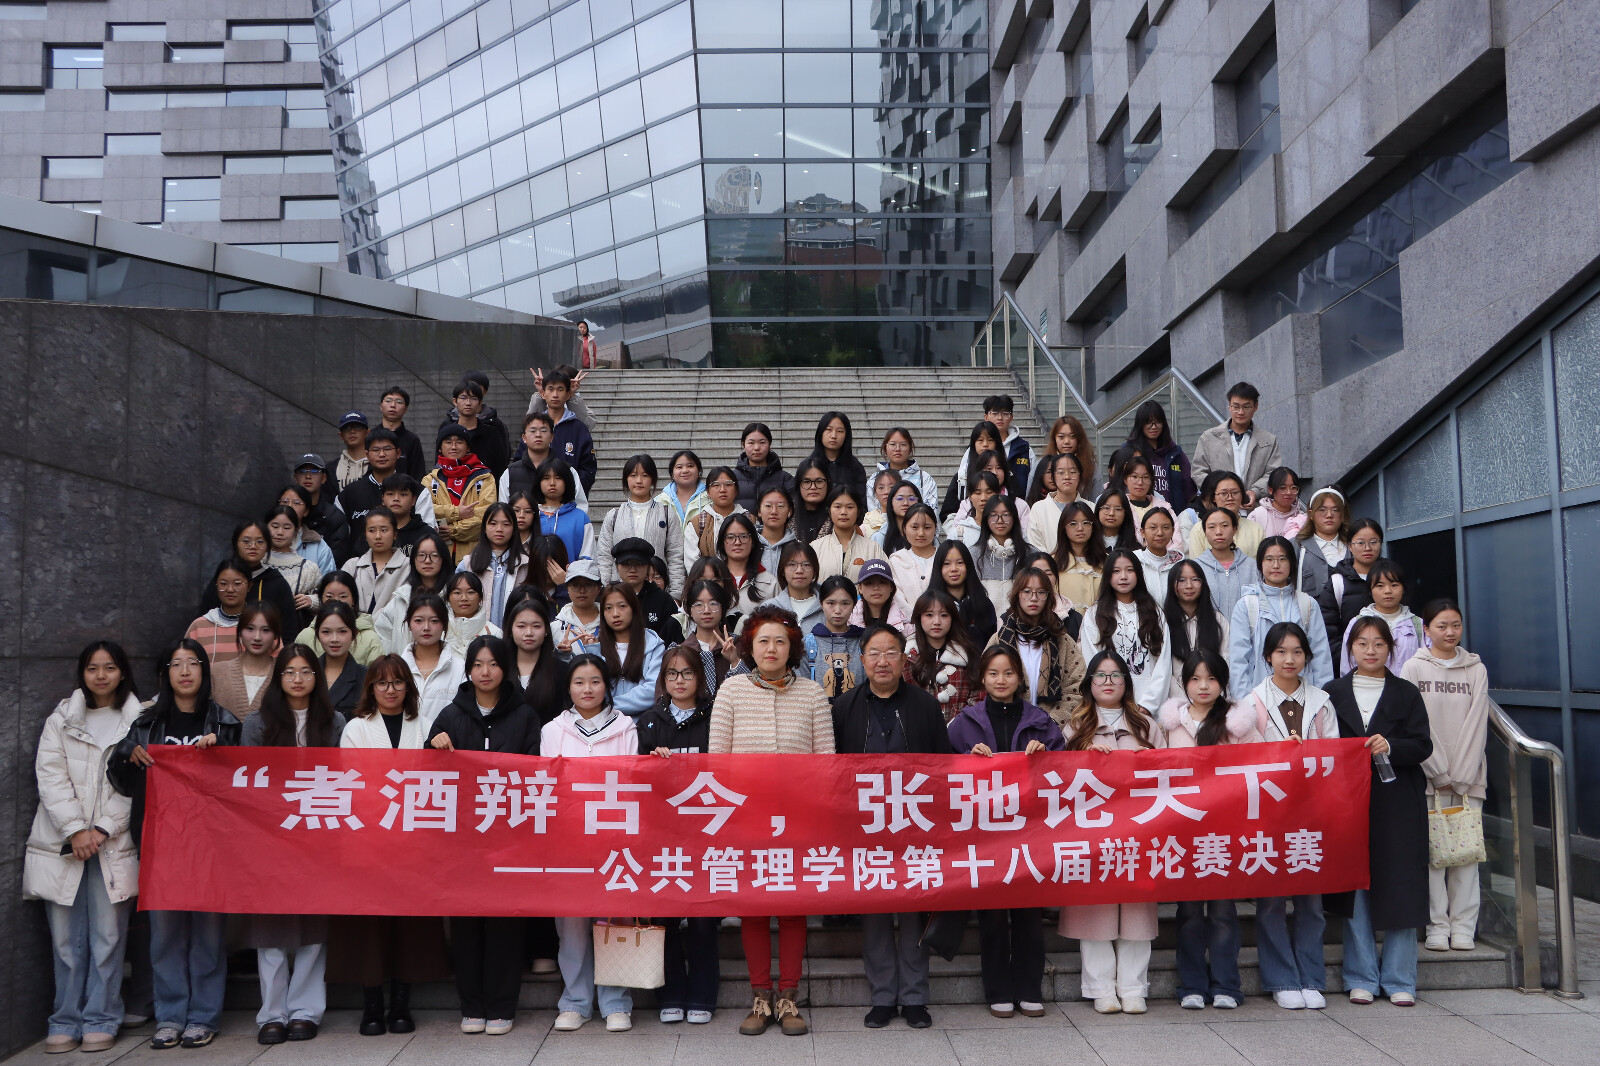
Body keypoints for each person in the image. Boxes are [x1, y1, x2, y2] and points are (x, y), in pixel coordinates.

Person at [106, 640, 241, 1050]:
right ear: (165, 673)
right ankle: (169, 1017)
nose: (184, 671)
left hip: (212, 847)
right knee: (164, 936)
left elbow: (246, 783)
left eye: (192, 663)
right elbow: (120, 780)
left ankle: (203, 1017)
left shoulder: (225, 723)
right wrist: (126, 753)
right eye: (175, 664)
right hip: (161, 844)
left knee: (208, 937)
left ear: (204, 670)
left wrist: (222, 753)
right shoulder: (146, 725)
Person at [709, 605, 834, 1037]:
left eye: (780, 641)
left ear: (792, 647)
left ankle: (789, 997)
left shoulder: (813, 694)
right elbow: (717, 762)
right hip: (747, 818)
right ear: (749, 646)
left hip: (799, 818)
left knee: (794, 908)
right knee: (755, 908)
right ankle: (760, 997)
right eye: (763, 640)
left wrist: (817, 813)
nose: (771, 648)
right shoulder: (731, 691)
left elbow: (826, 763)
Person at [25, 642, 144, 1055]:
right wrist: (76, 829)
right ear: (82, 674)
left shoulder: (139, 721)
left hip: (113, 844)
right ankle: (64, 1019)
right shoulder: (61, 719)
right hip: (63, 843)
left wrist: (102, 828)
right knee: (64, 941)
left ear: (122, 672)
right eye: (93, 668)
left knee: (108, 938)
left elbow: (138, 784)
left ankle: (101, 1017)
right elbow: (50, 776)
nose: (101, 675)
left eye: (109, 667)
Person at [831, 625, 950, 1029]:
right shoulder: (844, 706)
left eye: (891, 653)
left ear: (904, 659)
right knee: (876, 913)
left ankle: (914, 998)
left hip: (915, 824)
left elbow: (943, 766)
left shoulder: (925, 705)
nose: (882, 661)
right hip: (863, 827)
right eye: (875, 653)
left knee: (915, 911)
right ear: (861, 659)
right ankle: (883, 997)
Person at [332, 657, 450, 1035]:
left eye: (398, 682)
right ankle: (372, 1005)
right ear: (370, 688)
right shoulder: (356, 728)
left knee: (407, 926)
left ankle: (401, 1004)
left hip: (414, 842)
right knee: (370, 925)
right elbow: (355, 782)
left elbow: (434, 780)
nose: (390, 690)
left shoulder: (425, 725)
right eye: (381, 683)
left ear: (408, 687)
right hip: (369, 841)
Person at [428, 636, 539, 1035]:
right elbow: (428, 775)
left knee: (505, 924)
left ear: (505, 669)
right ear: (469, 670)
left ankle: (502, 1006)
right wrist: (434, 744)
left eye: (493, 664)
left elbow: (535, 774)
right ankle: (472, 1006)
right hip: (463, 842)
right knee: (467, 925)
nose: (485, 672)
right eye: (478, 664)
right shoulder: (450, 715)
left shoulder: (525, 715)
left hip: (510, 838)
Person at [947, 645, 1063, 1018]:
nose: (1001, 680)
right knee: (993, 916)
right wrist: (967, 762)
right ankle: (997, 989)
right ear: (983, 677)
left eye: (1009, 673)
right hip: (985, 836)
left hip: (1030, 834)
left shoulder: (1041, 722)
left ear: (1019, 677)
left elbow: (1065, 773)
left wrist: (1045, 756)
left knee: (1028, 915)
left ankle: (1029, 988)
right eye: (994, 673)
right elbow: (942, 773)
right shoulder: (963, 723)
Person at [240, 645, 345, 1045]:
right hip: (271, 839)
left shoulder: (334, 722)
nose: (297, 679)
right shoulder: (257, 723)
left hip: (319, 835)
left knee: (313, 927)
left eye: (306, 672)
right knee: (269, 928)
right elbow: (249, 782)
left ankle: (305, 1011)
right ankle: (272, 1014)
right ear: (278, 678)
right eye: (289, 672)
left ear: (317, 677)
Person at [1327, 616, 1433, 1006]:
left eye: (1378, 644)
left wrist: (1392, 746)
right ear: (1350, 649)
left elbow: (1422, 745)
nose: (1370, 651)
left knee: (1401, 884)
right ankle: (1361, 976)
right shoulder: (1332, 692)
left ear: (1391, 648)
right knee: (1356, 886)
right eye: (1362, 643)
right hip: (1348, 801)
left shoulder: (1406, 692)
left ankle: (1400, 978)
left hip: (1397, 800)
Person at [1060, 650, 1167, 1013]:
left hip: (1139, 830)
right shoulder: (1075, 727)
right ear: (1089, 683)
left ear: (1127, 682)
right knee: (1095, 911)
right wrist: (1085, 755)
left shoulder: (1147, 726)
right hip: (1092, 833)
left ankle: (1133, 987)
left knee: (1137, 911)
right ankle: (1100, 988)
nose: (1108, 682)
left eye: (1116, 675)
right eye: (1101, 676)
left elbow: (1168, 775)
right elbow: (1059, 782)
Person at [1158, 650, 1261, 1010]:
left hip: (1224, 831)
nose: (1203, 686)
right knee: (1188, 912)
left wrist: (1291, 752)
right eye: (1195, 679)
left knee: (1222, 911)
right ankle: (1191, 986)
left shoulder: (1238, 723)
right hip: (1182, 830)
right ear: (1184, 683)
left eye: (1212, 678)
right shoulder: (1170, 725)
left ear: (1223, 683)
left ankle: (1226, 986)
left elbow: (1264, 764)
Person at [540, 654, 637, 1033]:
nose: (587, 689)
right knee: (572, 924)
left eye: (595, 681)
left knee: (616, 917)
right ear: (568, 687)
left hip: (615, 837)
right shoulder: (553, 730)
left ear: (606, 686)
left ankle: (616, 1002)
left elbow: (631, 781)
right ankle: (575, 1001)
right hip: (569, 840)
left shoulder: (625, 726)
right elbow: (549, 785)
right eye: (579, 682)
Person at [1244, 621, 1338, 1010]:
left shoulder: (1321, 701)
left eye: (1297, 651)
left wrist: (1308, 753)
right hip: (1269, 814)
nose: (1289, 659)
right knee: (1271, 901)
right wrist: (1278, 752)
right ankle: (1282, 979)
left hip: (1311, 813)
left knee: (1311, 901)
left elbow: (1334, 755)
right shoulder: (1251, 702)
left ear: (1307, 657)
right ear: (1268, 656)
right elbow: (1243, 758)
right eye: (1281, 651)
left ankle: (1311, 977)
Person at [635, 645, 720, 1025]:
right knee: (664, 915)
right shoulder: (649, 721)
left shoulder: (716, 716)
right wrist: (651, 764)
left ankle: (703, 995)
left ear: (700, 678)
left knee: (702, 919)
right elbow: (634, 776)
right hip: (661, 833)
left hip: (705, 831)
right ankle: (670, 994)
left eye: (687, 673)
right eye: (672, 674)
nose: (679, 680)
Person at [1402, 600, 1489, 952]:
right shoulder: (1413, 668)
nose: (1450, 632)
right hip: (1426, 777)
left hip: (1469, 779)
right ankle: (1436, 925)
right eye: (1442, 626)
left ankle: (1464, 927)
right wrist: (1438, 771)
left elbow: (1477, 723)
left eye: (1456, 625)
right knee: (1432, 855)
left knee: (1467, 853)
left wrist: (1462, 775)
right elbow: (1416, 724)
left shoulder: (1476, 669)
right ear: (1426, 629)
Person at [1229, 537, 1334, 699]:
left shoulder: (1307, 604)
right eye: (1269, 559)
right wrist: (1245, 704)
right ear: (1260, 564)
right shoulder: (1247, 606)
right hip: (1260, 699)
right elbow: (1238, 661)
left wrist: (1321, 700)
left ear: (1292, 563)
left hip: (1303, 698)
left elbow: (1321, 657)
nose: (1276, 565)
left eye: (1282, 559)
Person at [986, 567, 1085, 727]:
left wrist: (1049, 724)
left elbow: (1076, 686)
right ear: (1017, 595)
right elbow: (985, 682)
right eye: (1027, 592)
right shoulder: (1000, 638)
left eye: (1041, 592)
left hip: (1052, 729)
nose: (1034, 598)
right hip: (1007, 725)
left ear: (1048, 597)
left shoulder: (1062, 639)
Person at [1080, 551, 1171, 712]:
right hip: (1109, 704)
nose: (1123, 576)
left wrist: (1148, 704)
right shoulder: (1095, 614)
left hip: (1148, 705)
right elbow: (1091, 659)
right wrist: (1112, 701)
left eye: (1130, 570)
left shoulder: (1154, 612)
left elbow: (1163, 661)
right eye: (1116, 571)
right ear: (1108, 575)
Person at [596, 454, 687, 596]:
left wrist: (675, 594)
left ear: (653, 479)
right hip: (620, 590)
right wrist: (606, 589)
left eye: (645, 475)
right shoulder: (614, 516)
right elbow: (604, 556)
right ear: (626, 479)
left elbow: (675, 556)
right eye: (633, 475)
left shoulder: (666, 514)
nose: (639, 481)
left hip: (656, 589)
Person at [573, 583, 664, 716]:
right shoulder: (597, 646)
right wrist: (592, 651)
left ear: (633, 608)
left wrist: (609, 705)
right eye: (608, 608)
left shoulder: (653, 644)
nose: (615, 614)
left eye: (622, 606)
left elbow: (653, 690)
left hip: (642, 722)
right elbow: (592, 688)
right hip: (604, 722)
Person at [195, 520, 300, 631]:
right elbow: (203, 621)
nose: (253, 546)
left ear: (267, 545)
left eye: (260, 542)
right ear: (235, 544)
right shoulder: (224, 579)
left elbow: (289, 629)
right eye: (246, 541)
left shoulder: (277, 583)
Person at [1191, 382, 1283, 507]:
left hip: (1254, 508)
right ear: (1229, 406)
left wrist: (1255, 492)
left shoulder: (1268, 440)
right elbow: (1198, 471)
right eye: (1236, 407)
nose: (1240, 412)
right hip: (1218, 509)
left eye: (1246, 407)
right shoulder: (1209, 437)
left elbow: (1273, 473)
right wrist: (1221, 492)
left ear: (1256, 406)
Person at [337, 427, 437, 536]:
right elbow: (340, 536)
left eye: (387, 449)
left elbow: (428, 535)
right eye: (376, 450)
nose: (381, 454)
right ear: (367, 455)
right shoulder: (349, 494)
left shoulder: (417, 491)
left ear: (398, 453)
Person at [1338, 559, 1425, 675]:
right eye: (1380, 586)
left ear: (1403, 588)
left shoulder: (1417, 624)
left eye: (1394, 585)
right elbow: (1347, 666)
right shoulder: (1357, 623)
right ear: (1370, 590)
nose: (1388, 591)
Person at [425, 423, 497, 562]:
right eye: (448, 442)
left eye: (459, 442)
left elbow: (487, 516)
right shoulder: (430, 480)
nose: (453, 446)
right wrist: (457, 512)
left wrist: (453, 530)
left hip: (474, 556)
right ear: (439, 448)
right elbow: (426, 510)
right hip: (438, 556)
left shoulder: (484, 478)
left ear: (468, 447)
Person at [372, 530, 453, 654]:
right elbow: (383, 633)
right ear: (413, 559)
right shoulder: (402, 597)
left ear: (444, 559)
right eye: (421, 555)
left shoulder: (453, 596)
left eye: (434, 555)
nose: (427, 560)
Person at [904, 589, 979, 720]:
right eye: (929, 615)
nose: (937, 621)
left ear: (952, 618)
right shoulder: (907, 656)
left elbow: (977, 698)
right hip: (917, 729)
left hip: (960, 730)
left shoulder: (968, 654)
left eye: (944, 615)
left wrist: (960, 725)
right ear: (919, 617)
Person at [457, 502, 530, 627]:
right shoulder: (468, 564)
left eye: (506, 524)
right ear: (484, 528)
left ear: (514, 529)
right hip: (476, 632)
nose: (499, 529)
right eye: (493, 523)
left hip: (513, 633)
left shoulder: (525, 564)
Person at [1163, 560, 1229, 699]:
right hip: (1174, 701)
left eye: (1195, 580)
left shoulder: (1218, 620)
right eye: (1182, 580)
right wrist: (1185, 699)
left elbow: (1226, 660)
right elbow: (1162, 668)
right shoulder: (1163, 621)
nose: (1189, 585)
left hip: (1212, 698)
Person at [1317, 516, 1384, 653]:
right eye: (1360, 543)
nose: (1367, 548)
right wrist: (1349, 658)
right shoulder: (1337, 583)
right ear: (1350, 546)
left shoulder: (1393, 579)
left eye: (1373, 542)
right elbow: (1328, 632)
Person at [504, 412, 591, 512]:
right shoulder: (510, 473)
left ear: (551, 437)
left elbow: (580, 506)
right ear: (524, 438)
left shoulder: (567, 470)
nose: (538, 435)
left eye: (543, 431)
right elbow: (504, 510)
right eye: (533, 431)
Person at [400, 594, 464, 727]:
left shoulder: (460, 668)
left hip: (446, 739)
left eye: (434, 621)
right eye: (418, 620)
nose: (426, 627)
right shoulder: (397, 667)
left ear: (444, 625)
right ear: (409, 624)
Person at [210, 603, 282, 719]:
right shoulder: (217, 673)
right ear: (240, 632)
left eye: (266, 630)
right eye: (250, 629)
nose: (257, 637)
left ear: (275, 635)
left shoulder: (284, 673)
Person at [609, 537, 685, 644]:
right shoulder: (609, 597)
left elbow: (673, 639)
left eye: (639, 564)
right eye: (626, 564)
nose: (632, 569)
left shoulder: (664, 600)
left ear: (649, 567)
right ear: (617, 566)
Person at [1123, 399, 1195, 508]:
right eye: (1148, 422)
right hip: (1139, 513)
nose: (1154, 426)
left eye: (1158, 421)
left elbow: (1190, 490)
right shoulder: (1130, 451)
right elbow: (1119, 484)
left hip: (1174, 514)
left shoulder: (1176, 453)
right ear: (1140, 424)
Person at [504, 595, 566, 719]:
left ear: (546, 630)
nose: (529, 633)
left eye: (536, 626)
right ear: (510, 629)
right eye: (521, 626)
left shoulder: (561, 670)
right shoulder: (500, 668)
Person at [927, 539, 997, 647]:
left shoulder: (984, 604)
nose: (954, 569)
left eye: (960, 563)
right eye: (947, 563)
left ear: (968, 566)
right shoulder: (929, 605)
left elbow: (993, 643)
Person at [341, 510, 412, 615]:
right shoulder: (352, 565)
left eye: (384, 530)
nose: (378, 536)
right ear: (365, 535)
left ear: (394, 534)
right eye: (371, 530)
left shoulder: (408, 566)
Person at [810, 485, 885, 583]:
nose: (843, 512)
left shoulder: (872, 548)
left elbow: (885, 581)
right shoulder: (815, 548)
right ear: (829, 511)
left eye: (850, 507)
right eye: (837, 507)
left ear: (858, 511)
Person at [1194, 506, 1260, 618]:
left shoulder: (1252, 566)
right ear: (1205, 532)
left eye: (1225, 526)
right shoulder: (1196, 567)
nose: (1219, 532)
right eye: (1211, 527)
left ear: (1235, 529)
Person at [539, 368, 597, 493]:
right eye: (551, 389)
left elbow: (588, 468)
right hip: (538, 500)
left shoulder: (579, 429)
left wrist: (572, 492)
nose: (555, 395)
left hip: (571, 498)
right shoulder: (536, 426)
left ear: (568, 394)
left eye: (560, 389)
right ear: (543, 394)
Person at [680, 579, 742, 696]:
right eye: (699, 605)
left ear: (723, 608)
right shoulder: (681, 651)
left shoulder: (739, 645)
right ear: (690, 610)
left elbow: (752, 689)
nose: (706, 611)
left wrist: (735, 661)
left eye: (713, 603)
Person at [806, 575, 864, 698]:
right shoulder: (809, 644)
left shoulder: (863, 642)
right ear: (821, 604)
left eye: (845, 603)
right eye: (831, 603)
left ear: (854, 604)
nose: (837, 610)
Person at [1181, 472, 1264, 559]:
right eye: (1224, 493)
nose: (1230, 498)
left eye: (1235, 492)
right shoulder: (1199, 529)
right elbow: (1196, 564)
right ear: (1214, 498)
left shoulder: (1256, 529)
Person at [264, 505, 322, 628]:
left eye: (287, 528)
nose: (280, 532)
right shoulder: (256, 562)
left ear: (296, 531)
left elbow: (325, 599)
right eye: (275, 526)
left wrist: (312, 601)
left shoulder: (308, 568)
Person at [186, 559, 251, 664]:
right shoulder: (199, 626)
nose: (230, 589)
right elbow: (186, 664)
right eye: (223, 584)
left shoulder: (261, 625)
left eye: (237, 584)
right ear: (216, 585)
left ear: (249, 586)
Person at [441, 378, 511, 476]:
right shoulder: (446, 431)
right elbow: (440, 463)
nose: (468, 403)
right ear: (455, 401)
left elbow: (500, 466)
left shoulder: (491, 433)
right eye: (463, 398)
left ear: (480, 403)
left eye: (473, 398)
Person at [293, 455, 353, 566]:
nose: (308, 476)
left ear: (323, 478)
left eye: (314, 471)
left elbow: (337, 560)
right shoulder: (286, 513)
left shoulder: (335, 517)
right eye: (302, 471)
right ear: (295, 478)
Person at [1295, 486, 1350, 604]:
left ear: (1342, 515)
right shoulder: (1297, 546)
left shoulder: (1353, 545)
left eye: (1335, 510)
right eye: (1322, 510)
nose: (1329, 515)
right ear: (1311, 514)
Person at [941, 420, 1005, 520]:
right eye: (980, 440)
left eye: (990, 440)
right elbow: (947, 512)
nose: (985, 444)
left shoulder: (1005, 473)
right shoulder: (962, 476)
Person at [1025, 453, 1089, 552]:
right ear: (1053, 476)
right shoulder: (1039, 509)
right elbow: (1035, 547)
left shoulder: (1091, 508)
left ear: (1080, 476)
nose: (1067, 476)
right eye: (1061, 472)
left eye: (1072, 472)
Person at [535, 457, 595, 562]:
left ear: (567, 482)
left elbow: (588, 558)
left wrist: (569, 572)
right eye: (546, 478)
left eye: (558, 478)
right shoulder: (530, 515)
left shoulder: (580, 518)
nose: (552, 483)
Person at [1051, 500, 1106, 612]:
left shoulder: (1107, 561)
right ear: (1063, 528)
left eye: (1086, 523)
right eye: (1073, 524)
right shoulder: (1052, 562)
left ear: (1093, 527)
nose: (1080, 528)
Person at [314, 601, 366, 717]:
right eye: (326, 632)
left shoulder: (367, 677)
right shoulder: (306, 674)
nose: (334, 639)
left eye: (342, 631)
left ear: (354, 634)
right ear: (317, 634)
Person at [887, 503, 939, 618]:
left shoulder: (945, 557)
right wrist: (918, 619)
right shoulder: (897, 560)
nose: (921, 533)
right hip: (908, 624)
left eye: (927, 527)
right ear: (904, 529)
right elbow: (897, 598)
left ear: (935, 528)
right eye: (915, 527)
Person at [275, 484, 338, 576]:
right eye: (285, 501)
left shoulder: (319, 546)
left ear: (306, 511)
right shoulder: (265, 540)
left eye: (296, 503)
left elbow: (328, 580)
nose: (289, 506)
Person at [1030, 415, 1098, 500]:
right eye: (1061, 437)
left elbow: (1098, 501)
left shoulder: (1091, 466)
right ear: (1054, 439)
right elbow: (1030, 498)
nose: (1066, 442)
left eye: (1072, 437)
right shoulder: (1040, 465)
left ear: (1079, 439)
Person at [972, 495, 1023, 608]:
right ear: (986, 519)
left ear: (1014, 518)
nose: (1000, 521)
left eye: (1006, 515)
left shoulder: (1029, 553)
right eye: (993, 515)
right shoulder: (974, 554)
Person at [687, 466, 746, 562]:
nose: (722, 489)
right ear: (708, 492)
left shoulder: (749, 519)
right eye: (716, 485)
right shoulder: (697, 523)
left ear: (736, 490)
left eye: (728, 484)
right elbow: (691, 562)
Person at [733, 422, 795, 511]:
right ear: (743, 445)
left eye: (762, 442)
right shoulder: (732, 479)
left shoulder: (785, 479)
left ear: (769, 444)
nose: (757, 448)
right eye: (751, 443)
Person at [981, 394, 1035, 497]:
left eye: (1005, 413)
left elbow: (1034, 481)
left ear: (1011, 417)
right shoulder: (978, 447)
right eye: (995, 413)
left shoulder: (1024, 449)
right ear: (986, 417)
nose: (1000, 418)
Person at [808, 410, 867, 498]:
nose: (833, 436)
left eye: (840, 431)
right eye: (829, 430)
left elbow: (861, 499)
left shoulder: (855, 467)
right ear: (820, 432)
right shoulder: (809, 465)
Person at [769, 542, 824, 634]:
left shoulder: (828, 608)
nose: (799, 570)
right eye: (792, 564)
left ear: (815, 570)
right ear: (782, 570)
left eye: (806, 564)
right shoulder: (770, 608)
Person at [1134, 505, 1184, 607]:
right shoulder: (1133, 561)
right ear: (1142, 532)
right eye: (1153, 528)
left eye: (1165, 527)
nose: (1160, 533)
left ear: (1172, 531)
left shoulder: (1180, 565)